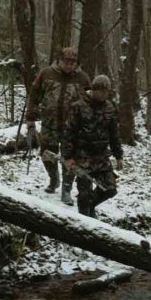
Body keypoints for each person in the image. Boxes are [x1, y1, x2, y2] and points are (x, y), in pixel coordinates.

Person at [26, 47, 91, 204]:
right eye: (66, 62)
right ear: (59, 60)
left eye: (72, 63)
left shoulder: (83, 78)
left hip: (73, 127)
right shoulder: (46, 73)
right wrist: (30, 117)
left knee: (70, 158)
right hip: (49, 123)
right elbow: (34, 95)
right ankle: (54, 178)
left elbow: (90, 102)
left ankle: (66, 190)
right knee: (47, 153)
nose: (69, 65)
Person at [61, 75, 123, 218]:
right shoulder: (79, 107)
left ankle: (91, 206)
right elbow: (68, 133)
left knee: (110, 189)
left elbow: (114, 134)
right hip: (83, 156)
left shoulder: (110, 107)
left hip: (102, 156)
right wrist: (68, 157)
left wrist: (118, 155)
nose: (104, 94)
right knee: (84, 194)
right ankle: (84, 221)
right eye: (101, 91)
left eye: (106, 92)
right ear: (94, 90)